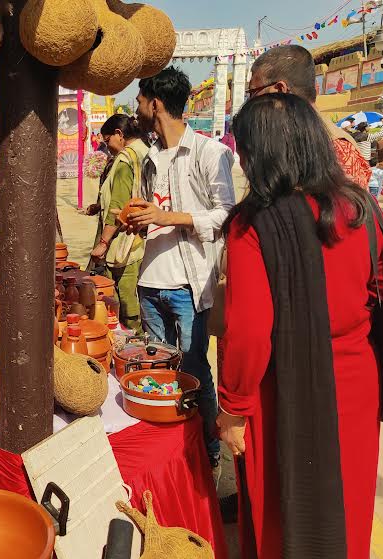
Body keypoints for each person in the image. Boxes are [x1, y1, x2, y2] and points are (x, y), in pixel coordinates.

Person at [218, 93, 383, 559]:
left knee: (282, 502)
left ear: (264, 153)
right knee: (351, 493)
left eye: (245, 149)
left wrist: (232, 407)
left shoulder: (253, 224)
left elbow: (251, 333)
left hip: (283, 385)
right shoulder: (361, 208)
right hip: (355, 377)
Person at [120, 67, 236, 467]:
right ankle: (169, 452)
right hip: (151, 280)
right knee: (159, 373)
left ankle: (209, 454)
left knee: (193, 369)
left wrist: (169, 217)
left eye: (139, 100)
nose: (135, 109)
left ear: (155, 103)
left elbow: (227, 215)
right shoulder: (149, 156)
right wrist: (135, 220)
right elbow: (150, 210)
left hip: (189, 286)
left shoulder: (209, 152)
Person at [247, 45, 372, 189]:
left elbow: (347, 210)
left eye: (253, 92)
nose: (251, 101)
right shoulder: (287, 139)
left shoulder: (336, 150)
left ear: (280, 90)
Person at [88, 114, 148, 333]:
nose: (107, 146)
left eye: (107, 140)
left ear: (119, 134)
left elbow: (119, 205)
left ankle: (134, 347)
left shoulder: (125, 160)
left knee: (125, 300)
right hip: (143, 237)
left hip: (126, 242)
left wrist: (103, 243)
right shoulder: (145, 152)